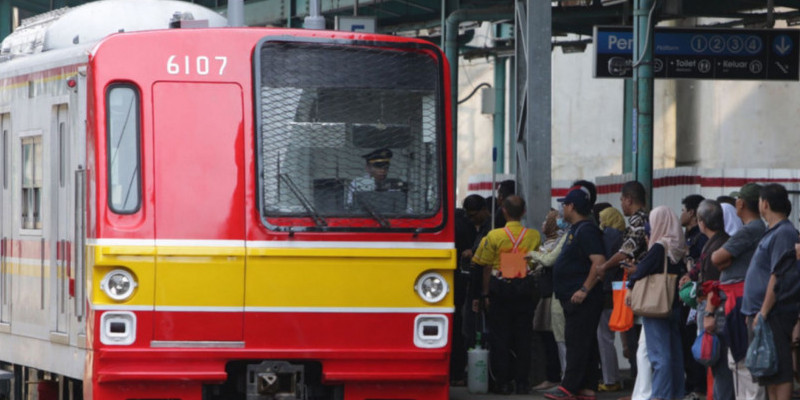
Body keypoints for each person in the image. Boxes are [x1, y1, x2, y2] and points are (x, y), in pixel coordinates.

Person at [473, 195, 541, 395]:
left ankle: (502, 382)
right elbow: (536, 263)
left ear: (503, 211)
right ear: (524, 213)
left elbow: (485, 267)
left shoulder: (493, 236)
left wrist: (485, 295)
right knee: (523, 338)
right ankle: (522, 383)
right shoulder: (534, 236)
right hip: (524, 290)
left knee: (500, 338)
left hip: (499, 289)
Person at [544, 188, 606, 400]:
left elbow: (598, 262)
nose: (562, 209)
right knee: (584, 341)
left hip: (583, 298)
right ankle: (587, 387)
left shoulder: (587, 230)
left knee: (577, 342)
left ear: (571, 206)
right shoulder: (577, 229)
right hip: (573, 297)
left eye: (564, 205)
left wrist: (584, 289)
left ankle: (568, 386)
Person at [741, 184, 799, 400]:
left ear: (764, 203)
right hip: (763, 313)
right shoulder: (773, 232)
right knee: (769, 371)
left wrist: (764, 312)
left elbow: (778, 274)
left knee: (780, 369)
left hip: (774, 313)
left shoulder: (784, 232)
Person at [711, 183, 766, 400]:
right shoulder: (757, 229)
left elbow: (717, 259)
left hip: (740, 301)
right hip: (744, 299)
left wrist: (726, 259)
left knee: (741, 360)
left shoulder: (750, 229)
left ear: (741, 203)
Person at [627, 206, 687, 400]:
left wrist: (630, 282)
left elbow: (641, 270)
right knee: (674, 354)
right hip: (674, 305)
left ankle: (660, 396)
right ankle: (676, 394)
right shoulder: (678, 245)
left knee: (659, 355)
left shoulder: (660, 246)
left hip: (656, 305)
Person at [596, 180, 650, 398]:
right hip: (637, 283)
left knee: (638, 338)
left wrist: (604, 267)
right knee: (636, 337)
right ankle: (639, 387)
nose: (621, 204)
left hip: (639, 284)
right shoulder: (642, 220)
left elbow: (627, 251)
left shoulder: (638, 221)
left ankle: (640, 388)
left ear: (629, 199)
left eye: (622, 199)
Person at [681, 200, 734, 400]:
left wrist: (709, 313)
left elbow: (713, 285)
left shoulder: (717, 247)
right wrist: (692, 274)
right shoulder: (717, 242)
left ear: (701, 222)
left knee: (717, 361)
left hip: (715, 309)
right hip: (715, 307)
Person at [453, 195, 491, 386]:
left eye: (474, 215)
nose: (471, 219)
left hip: (483, 285)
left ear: (484, 210)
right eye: (469, 216)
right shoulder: (468, 225)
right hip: (467, 284)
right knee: (467, 327)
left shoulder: (491, 228)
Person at [530, 209, 564, 392]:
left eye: (546, 221)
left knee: (550, 336)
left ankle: (554, 376)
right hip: (547, 293)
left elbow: (546, 262)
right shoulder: (551, 243)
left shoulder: (553, 245)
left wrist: (533, 256)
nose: (543, 224)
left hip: (549, 295)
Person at [680, 194, 708, 400]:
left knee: (695, 342)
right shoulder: (686, 235)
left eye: (683, 209)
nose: (680, 214)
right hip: (686, 297)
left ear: (691, 213)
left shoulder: (701, 238)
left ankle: (698, 388)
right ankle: (691, 385)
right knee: (686, 343)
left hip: (696, 297)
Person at [596, 205, 625, 393]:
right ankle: (615, 377)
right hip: (621, 290)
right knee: (624, 335)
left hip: (606, 290)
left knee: (604, 336)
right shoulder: (624, 236)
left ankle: (610, 379)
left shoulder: (606, 236)